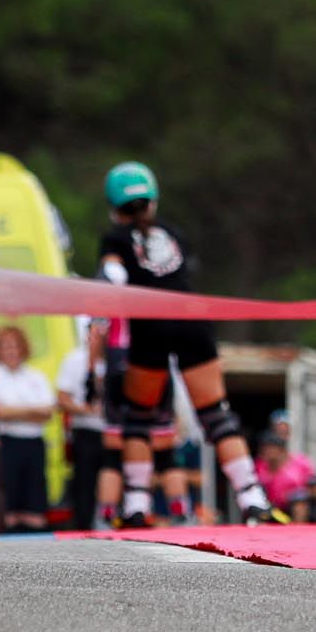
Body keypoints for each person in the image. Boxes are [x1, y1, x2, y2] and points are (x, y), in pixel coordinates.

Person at [97, 162, 277, 526]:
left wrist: (104, 299)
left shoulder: (115, 237)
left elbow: (113, 274)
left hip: (150, 324)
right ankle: (253, 499)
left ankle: (135, 504)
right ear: (153, 202)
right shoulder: (174, 233)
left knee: (138, 419)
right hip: (191, 319)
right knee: (216, 414)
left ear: (114, 207)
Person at [0, 325, 54, 532]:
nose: (11, 351)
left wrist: (14, 411)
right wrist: (31, 411)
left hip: (33, 444)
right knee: (9, 498)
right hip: (7, 443)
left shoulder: (35, 376)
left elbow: (48, 411)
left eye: (15, 346)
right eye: (5, 346)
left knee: (34, 499)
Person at [54, 318, 111, 529]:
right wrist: (85, 410)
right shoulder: (75, 360)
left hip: (110, 430)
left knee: (111, 476)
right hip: (85, 429)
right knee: (84, 481)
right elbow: (62, 397)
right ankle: (83, 524)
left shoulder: (114, 360)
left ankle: (109, 519)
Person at [255, 431, 316, 519]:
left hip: (295, 506)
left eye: (271, 448)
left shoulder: (300, 462)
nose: (268, 452)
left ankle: (299, 531)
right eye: (265, 448)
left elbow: (315, 490)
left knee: (299, 504)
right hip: (272, 510)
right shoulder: (259, 466)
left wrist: (292, 495)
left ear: (281, 449)